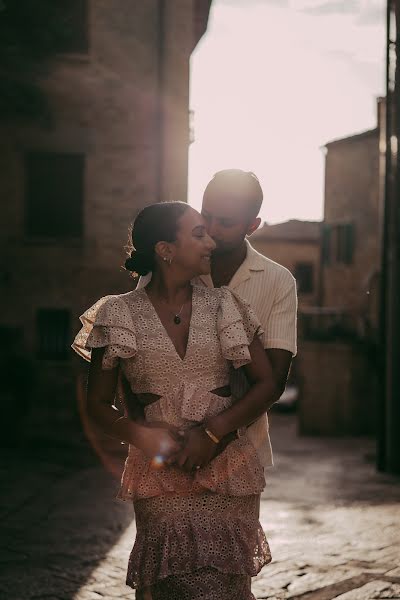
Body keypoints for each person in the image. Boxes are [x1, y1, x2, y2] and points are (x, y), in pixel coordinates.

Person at [72, 201, 278, 600]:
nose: (210, 243)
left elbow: (267, 384)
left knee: (227, 589)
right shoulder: (117, 313)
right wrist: (141, 436)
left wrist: (214, 433)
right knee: (169, 586)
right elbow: (96, 404)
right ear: (166, 249)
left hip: (228, 474)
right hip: (159, 477)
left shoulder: (226, 306)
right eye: (198, 233)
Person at [139, 170, 298, 469]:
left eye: (225, 222)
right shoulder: (165, 266)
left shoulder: (279, 281)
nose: (210, 228)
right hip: (163, 452)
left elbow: (274, 382)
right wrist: (141, 428)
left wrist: (212, 434)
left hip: (241, 454)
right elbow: (133, 358)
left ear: (253, 226)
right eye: (206, 215)